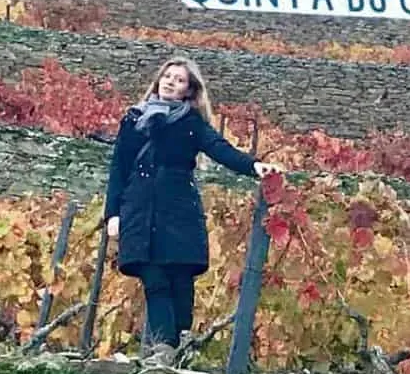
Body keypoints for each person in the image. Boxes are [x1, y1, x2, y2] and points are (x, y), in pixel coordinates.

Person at [103, 55, 282, 354]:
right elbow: (119, 168)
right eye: (168, 76)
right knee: (153, 277)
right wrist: (113, 214)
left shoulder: (191, 123)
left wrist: (254, 167)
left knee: (180, 279)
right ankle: (164, 348)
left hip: (178, 209)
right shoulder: (133, 119)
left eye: (180, 79)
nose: (171, 82)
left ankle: (180, 345)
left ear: (189, 90)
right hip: (139, 208)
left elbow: (220, 149)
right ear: (159, 80)